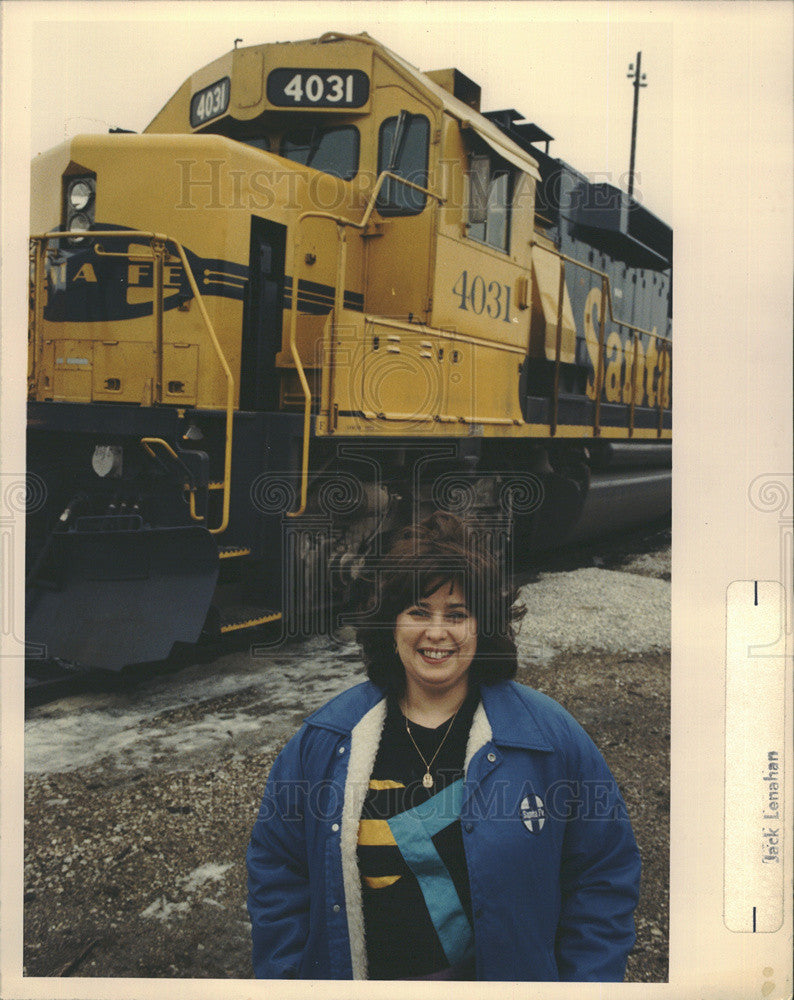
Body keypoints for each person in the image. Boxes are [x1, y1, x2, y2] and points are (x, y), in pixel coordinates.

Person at [246, 512, 641, 981]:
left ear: (483, 628)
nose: (437, 632)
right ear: (390, 625)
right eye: (418, 611)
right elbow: (278, 872)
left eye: (457, 614)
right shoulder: (325, 740)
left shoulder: (550, 740)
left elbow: (603, 876)